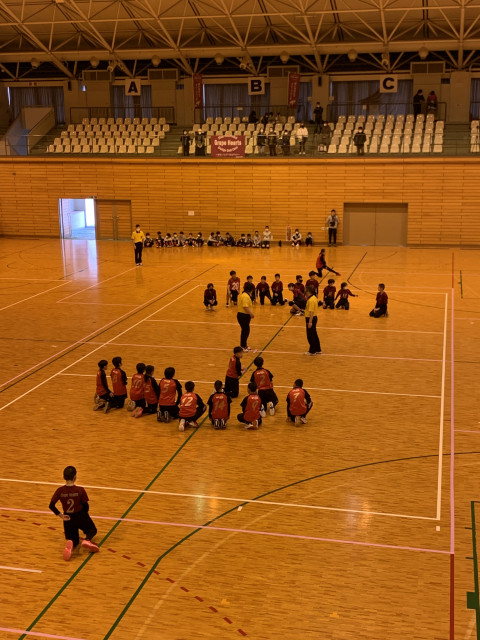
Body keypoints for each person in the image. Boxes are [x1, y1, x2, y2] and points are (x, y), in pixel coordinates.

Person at [48, 466, 99, 561]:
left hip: (67, 518)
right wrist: (85, 516)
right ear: (75, 477)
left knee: (74, 539)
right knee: (92, 530)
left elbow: (51, 505)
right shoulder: (80, 490)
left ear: (63, 477)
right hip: (80, 515)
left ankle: (71, 543)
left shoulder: (60, 490)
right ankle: (87, 540)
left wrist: (61, 516)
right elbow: (86, 506)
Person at [304, 286, 322, 355]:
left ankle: (312, 351)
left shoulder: (311, 300)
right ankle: (318, 349)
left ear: (308, 291)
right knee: (314, 334)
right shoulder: (314, 297)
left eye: (305, 290)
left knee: (310, 335)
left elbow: (311, 312)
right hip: (314, 317)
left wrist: (310, 322)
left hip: (310, 318)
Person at [237, 285, 255, 351]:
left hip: (244, 315)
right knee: (245, 331)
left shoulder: (244, 295)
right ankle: (243, 346)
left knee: (245, 330)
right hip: (243, 316)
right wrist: (251, 314)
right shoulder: (245, 296)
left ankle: (244, 345)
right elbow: (245, 307)